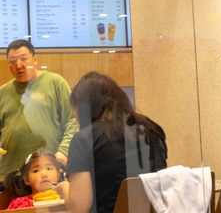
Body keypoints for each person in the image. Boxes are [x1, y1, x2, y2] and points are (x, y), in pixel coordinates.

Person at [65, 72, 168, 213]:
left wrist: (64, 188)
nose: (74, 114)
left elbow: (79, 207)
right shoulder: (151, 128)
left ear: (83, 108)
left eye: (75, 108)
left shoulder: (84, 139)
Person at [0, 39, 78, 175]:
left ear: (35, 59)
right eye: (13, 61)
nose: (19, 65)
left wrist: (64, 151)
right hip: (10, 173)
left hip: (48, 171)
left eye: (24, 59)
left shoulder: (56, 83)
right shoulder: (3, 92)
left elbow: (73, 120)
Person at [4, 150, 69, 209]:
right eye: (36, 170)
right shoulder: (19, 204)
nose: (44, 174)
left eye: (49, 168)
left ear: (58, 175)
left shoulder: (65, 199)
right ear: (26, 179)